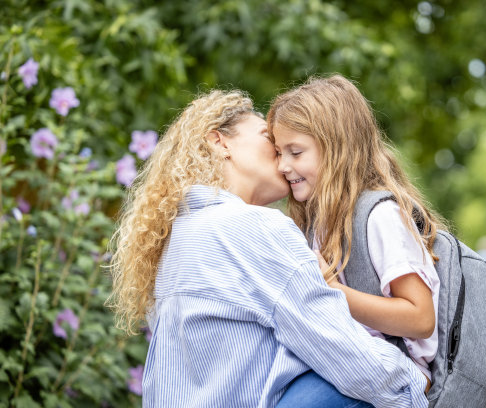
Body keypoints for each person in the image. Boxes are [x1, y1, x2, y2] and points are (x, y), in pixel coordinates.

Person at [107, 90, 429, 407]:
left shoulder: (176, 236)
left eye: (292, 150)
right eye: (267, 137)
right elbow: (340, 351)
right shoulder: (255, 227)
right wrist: (414, 382)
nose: (280, 155)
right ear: (220, 142)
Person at [268, 75, 446, 394]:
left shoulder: (380, 217)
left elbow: (420, 318)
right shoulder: (318, 218)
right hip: (351, 358)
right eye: (278, 152)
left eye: (295, 152)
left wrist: (331, 291)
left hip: (397, 369)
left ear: (337, 149)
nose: (282, 165)